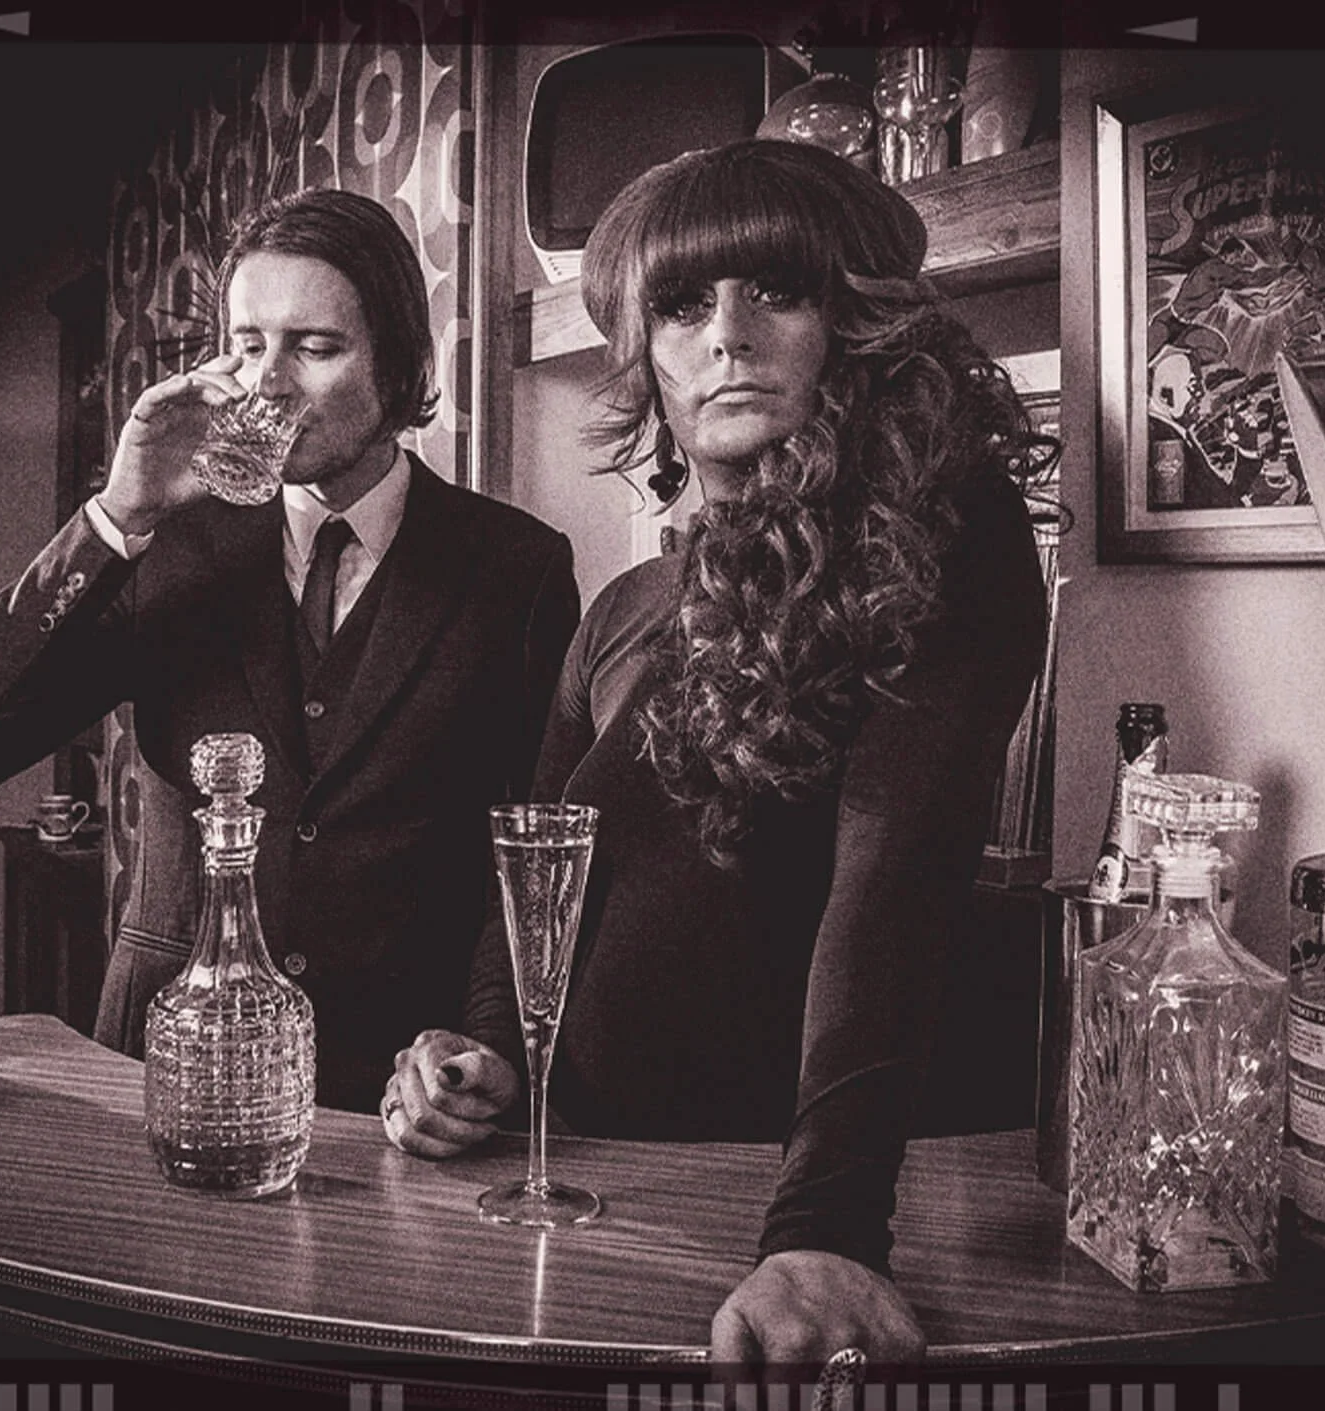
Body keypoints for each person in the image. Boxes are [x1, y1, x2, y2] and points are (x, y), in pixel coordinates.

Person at [380, 140, 1052, 1375]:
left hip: (754, 1201)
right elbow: (535, 871)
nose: (727, 335)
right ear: (648, 357)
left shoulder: (938, 544)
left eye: (774, 293)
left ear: (847, 323)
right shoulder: (627, 603)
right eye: (685, 305)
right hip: (580, 1178)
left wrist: (826, 1230)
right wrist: (482, 1055)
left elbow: (889, 891)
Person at [0, 188, 580, 1111]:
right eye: (248, 343)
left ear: (399, 364)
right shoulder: (166, 545)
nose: (268, 382)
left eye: (314, 347)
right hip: (167, 1065)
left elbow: (529, 849)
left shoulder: (518, 568)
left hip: (395, 1090)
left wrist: (486, 1050)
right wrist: (116, 516)